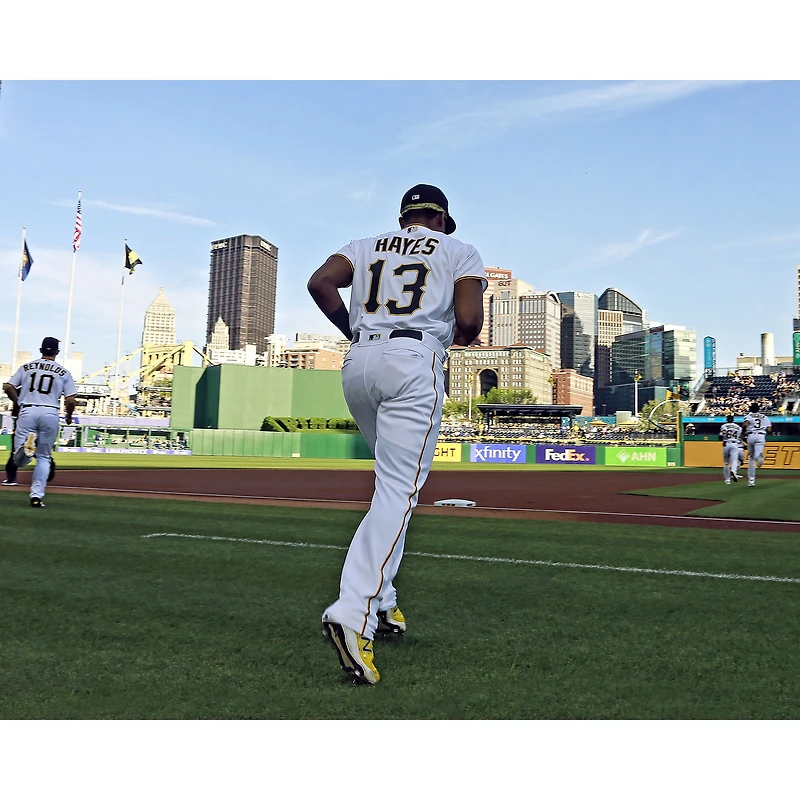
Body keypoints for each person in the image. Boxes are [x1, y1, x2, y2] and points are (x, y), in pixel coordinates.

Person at [307, 183, 486, 684]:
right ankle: (352, 611)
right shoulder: (459, 250)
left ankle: (383, 603)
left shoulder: (365, 245)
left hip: (359, 362)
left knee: (390, 488)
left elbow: (320, 283)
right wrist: (457, 332)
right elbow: (469, 320)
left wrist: (352, 329)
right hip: (414, 359)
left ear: (404, 216)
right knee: (397, 492)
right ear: (442, 219)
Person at [2, 337, 77, 506]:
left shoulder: (27, 367)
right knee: (44, 457)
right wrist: (69, 416)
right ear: (57, 352)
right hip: (50, 412)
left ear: (41, 349)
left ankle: (26, 448)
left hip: (28, 409)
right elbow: (71, 400)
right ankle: (36, 496)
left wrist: (18, 402)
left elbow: (7, 387)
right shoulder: (64, 372)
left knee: (19, 460)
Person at [740, 401, 772, 487]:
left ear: (750, 409)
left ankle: (751, 481)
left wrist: (743, 433)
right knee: (757, 454)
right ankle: (759, 457)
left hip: (751, 435)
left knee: (751, 458)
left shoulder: (749, 415)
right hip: (761, 435)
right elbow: (769, 429)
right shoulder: (765, 417)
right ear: (758, 409)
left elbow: (745, 424)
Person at [718, 413, 742, 484]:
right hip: (735, 444)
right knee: (734, 460)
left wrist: (723, 440)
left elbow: (721, 436)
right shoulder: (738, 427)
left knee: (726, 463)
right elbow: (741, 436)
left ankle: (727, 480)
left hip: (726, 443)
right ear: (733, 420)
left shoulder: (724, 426)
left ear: (727, 419)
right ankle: (733, 471)